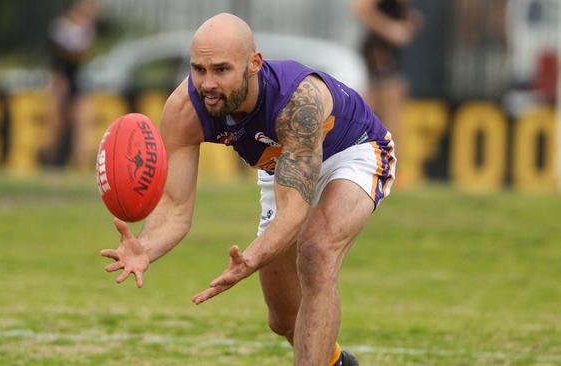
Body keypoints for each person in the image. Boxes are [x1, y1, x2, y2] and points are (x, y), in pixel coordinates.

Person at [100, 13, 396, 366]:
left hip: (353, 151)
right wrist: (145, 248)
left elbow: (294, 211)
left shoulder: (297, 103)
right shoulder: (184, 109)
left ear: (254, 63)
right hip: (281, 166)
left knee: (316, 252)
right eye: (199, 69)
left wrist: (251, 259)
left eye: (221, 70)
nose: (207, 83)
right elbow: (176, 208)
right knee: (284, 319)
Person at [353, 0, 421, 157]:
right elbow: (360, 8)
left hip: (388, 58)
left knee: (391, 114)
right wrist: (391, 29)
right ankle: (380, 162)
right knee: (377, 113)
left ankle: (389, 163)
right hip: (377, 57)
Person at [43, 0, 100, 167]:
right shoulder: (61, 27)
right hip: (59, 80)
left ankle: (81, 161)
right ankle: (48, 159)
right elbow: (72, 51)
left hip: (75, 80)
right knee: (55, 123)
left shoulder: (85, 28)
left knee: (83, 121)